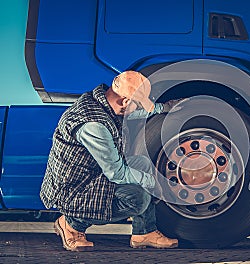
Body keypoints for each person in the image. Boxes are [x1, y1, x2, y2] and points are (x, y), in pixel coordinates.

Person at [40, 70, 183, 251]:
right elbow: (117, 173)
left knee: (144, 165)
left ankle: (144, 232)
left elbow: (134, 112)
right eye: (139, 105)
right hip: (73, 188)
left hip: (91, 173)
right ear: (125, 102)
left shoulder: (104, 103)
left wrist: (165, 108)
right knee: (138, 199)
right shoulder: (94, 125)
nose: (139, 109)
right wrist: (157, 183)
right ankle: (70, 223)